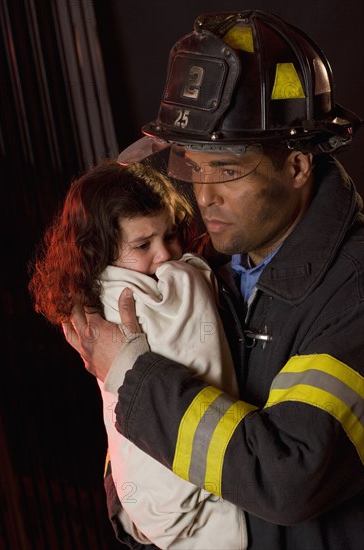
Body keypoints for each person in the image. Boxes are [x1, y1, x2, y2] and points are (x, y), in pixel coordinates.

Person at [63, 10, 364, 550]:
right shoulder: (206, 275)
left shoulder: (354, 291)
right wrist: (138, 513)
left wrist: (131, 374)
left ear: (297, 166)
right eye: (194, 166)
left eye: (227, 170)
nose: (203, 196)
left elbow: (290, 475)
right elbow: (140, 439)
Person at [28, 159, 248, 549]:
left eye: (171, 236)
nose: (165, 256)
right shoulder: (124, 296)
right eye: (143, 245)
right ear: (99, 255)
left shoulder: (99, 299)